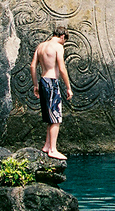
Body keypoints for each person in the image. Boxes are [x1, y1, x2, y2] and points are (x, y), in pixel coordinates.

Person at [31, 26, 73, 160]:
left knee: (50, 116)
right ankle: (53, 150)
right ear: (62, 37)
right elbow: (61, 67)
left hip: (43, 81)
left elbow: (33, 66)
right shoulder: (58, 47)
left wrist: (35, 85)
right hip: (52, 82)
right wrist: (68, 87)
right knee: (56, 118)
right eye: (64, 41)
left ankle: (47, 145)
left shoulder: (41, 46)